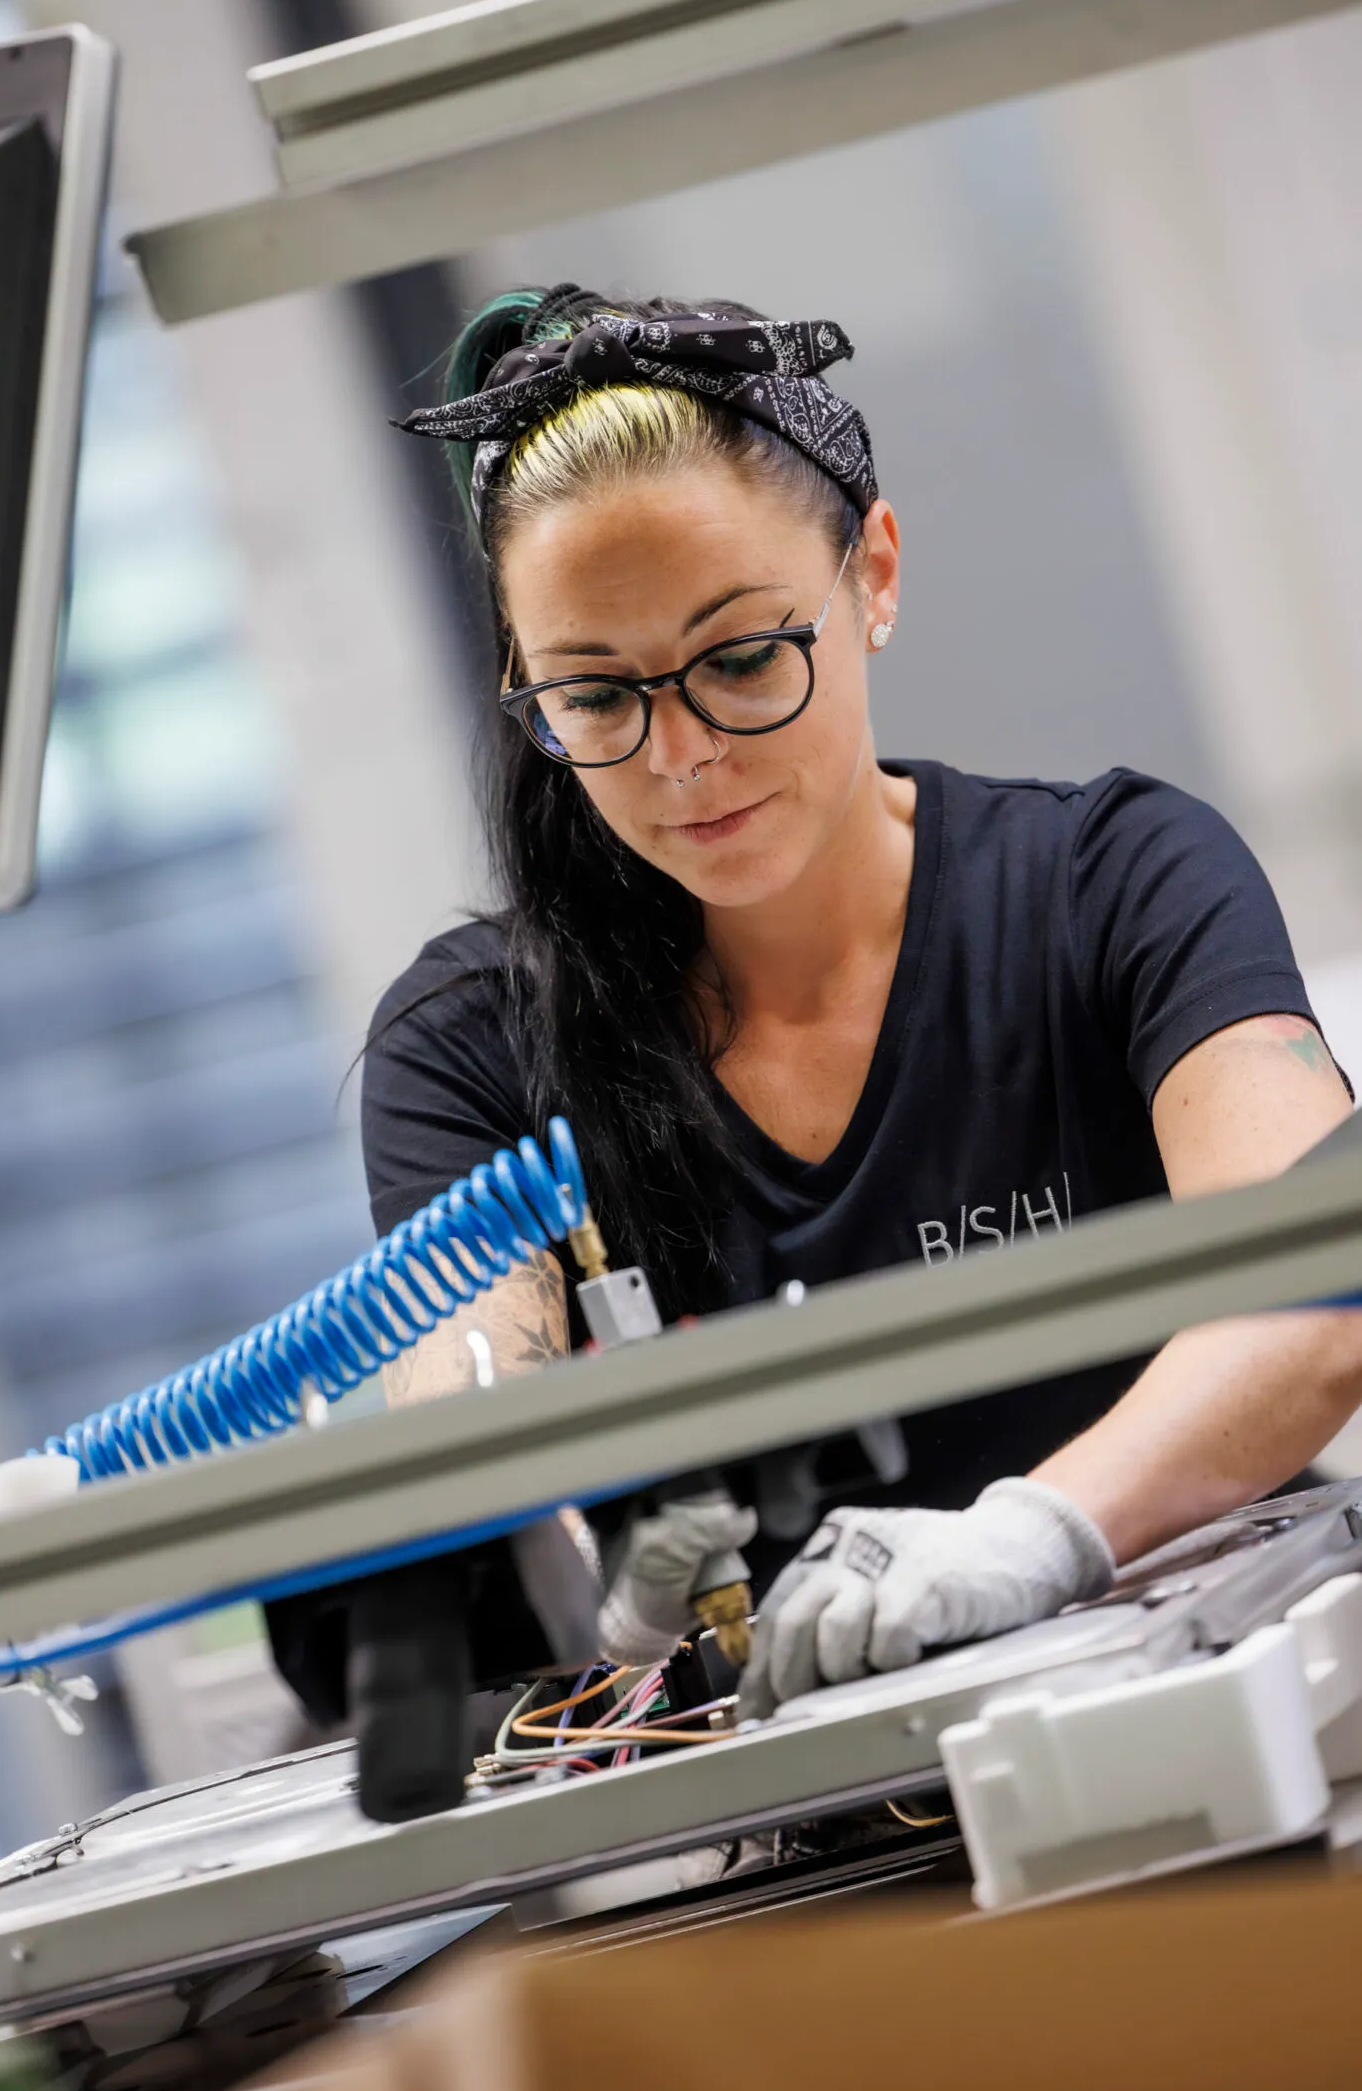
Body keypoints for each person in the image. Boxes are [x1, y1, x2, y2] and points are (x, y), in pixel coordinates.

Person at [361, 283, 1357, 1721]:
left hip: (1228, 1723)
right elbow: (466, 1443)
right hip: (813, 1836)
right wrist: (593, 1591)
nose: (685, 756)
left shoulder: (1115, 886)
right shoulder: (473, 1048)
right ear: (526, 690)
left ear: (874, 573)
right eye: (595, 696)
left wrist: (1036, 1536)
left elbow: (1320, 1289)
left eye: (746, 658)